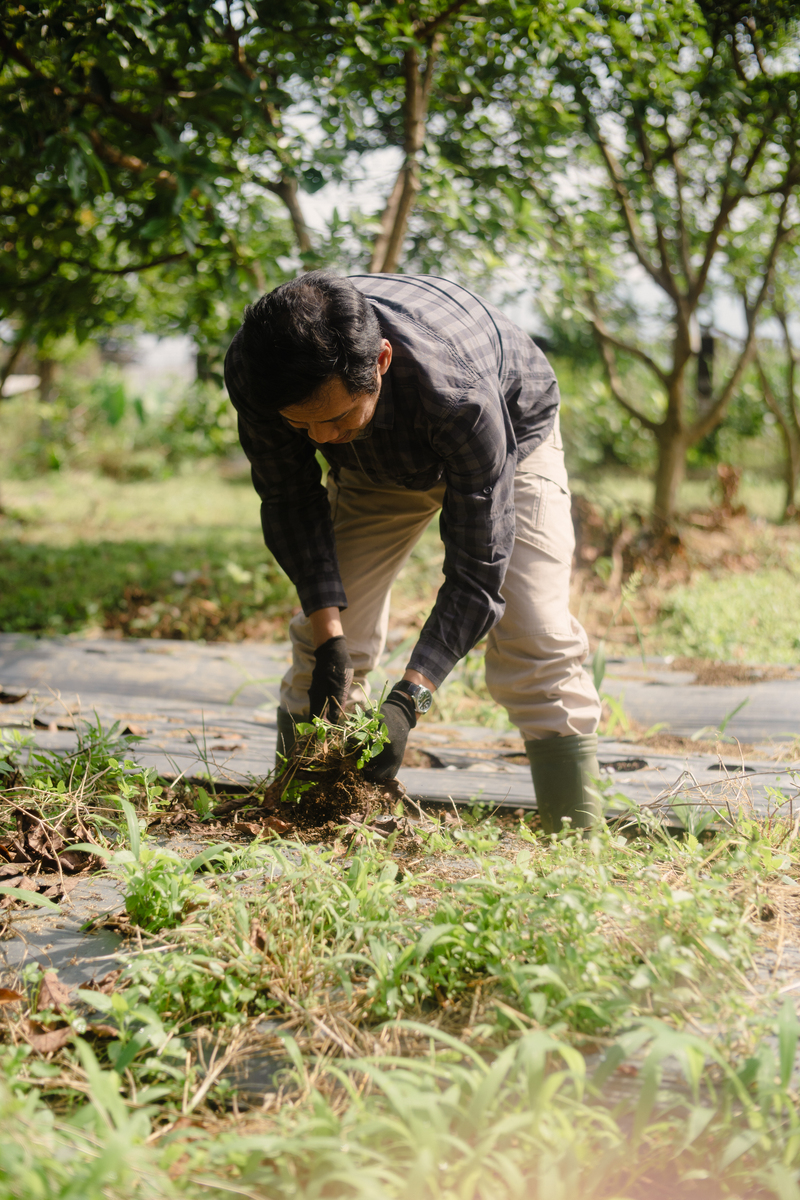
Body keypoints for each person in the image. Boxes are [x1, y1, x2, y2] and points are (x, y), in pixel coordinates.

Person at [224, 271, 602, 833]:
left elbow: (478, 570)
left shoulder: (461, 396)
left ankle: (577, 842)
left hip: (511, 441)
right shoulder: (262, 373)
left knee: (536, 634)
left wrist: (410, 700)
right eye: (303, 426)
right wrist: (331, 639)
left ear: (380, 360)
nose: (321, 439)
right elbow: (288, 497)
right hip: (375, 466)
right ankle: (304, 818)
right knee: (323, 640)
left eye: (334, 418)